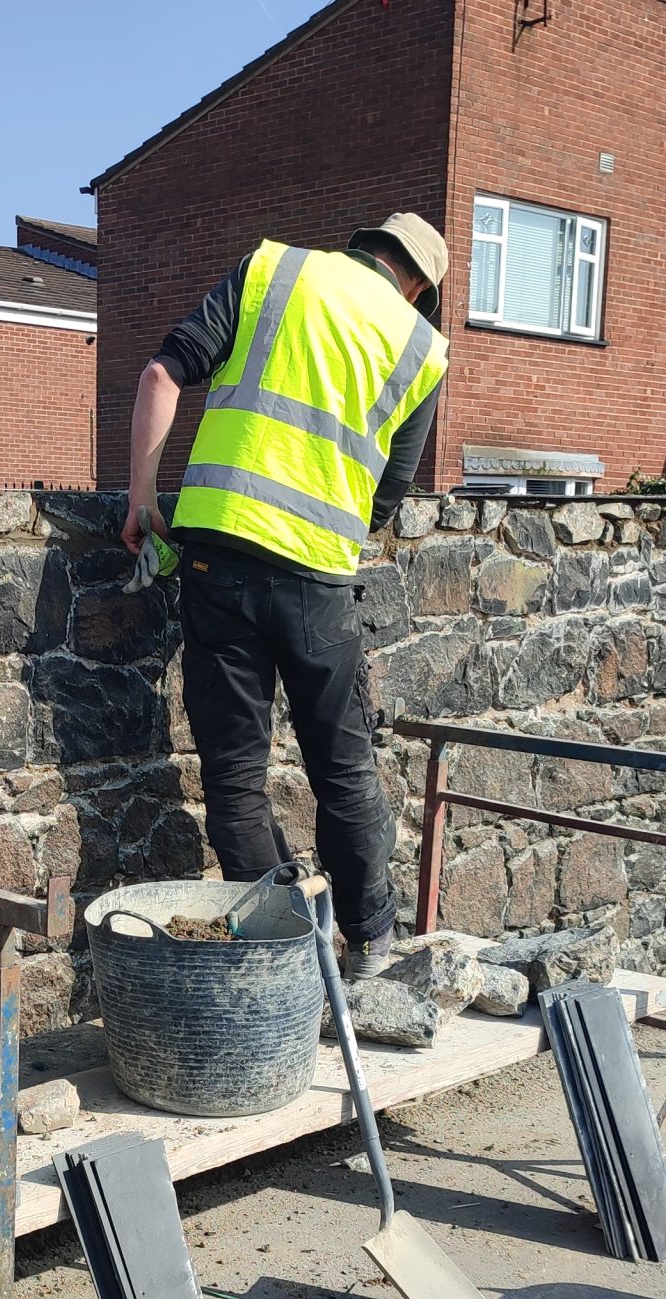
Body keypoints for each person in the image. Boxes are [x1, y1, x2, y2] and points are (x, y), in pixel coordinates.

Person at [124, 211, 450, 975]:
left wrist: (143, 499)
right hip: (316, 577)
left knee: (236, 776)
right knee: (341, 767)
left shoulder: (273, 269)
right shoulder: (421, 346)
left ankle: (283, 953)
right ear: (417, 285)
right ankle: (370, 946)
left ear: (362, 244)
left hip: (215, 557)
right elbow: (389, 493)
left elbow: (160, 374)